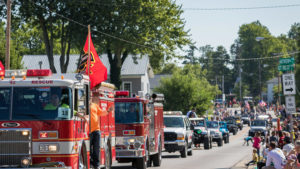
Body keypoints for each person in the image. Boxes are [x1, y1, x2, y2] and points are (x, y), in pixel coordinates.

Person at [90, 92, 113, 169]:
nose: (90, 97)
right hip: (88, 131)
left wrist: (108, 111)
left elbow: (101, 113)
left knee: (96, 148)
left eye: (91, 96)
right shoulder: (84, 107)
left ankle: (96, 165)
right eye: (89, 96)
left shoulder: (95, 106)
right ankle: (91, 163)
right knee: (89, 149)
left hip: (96, 130)